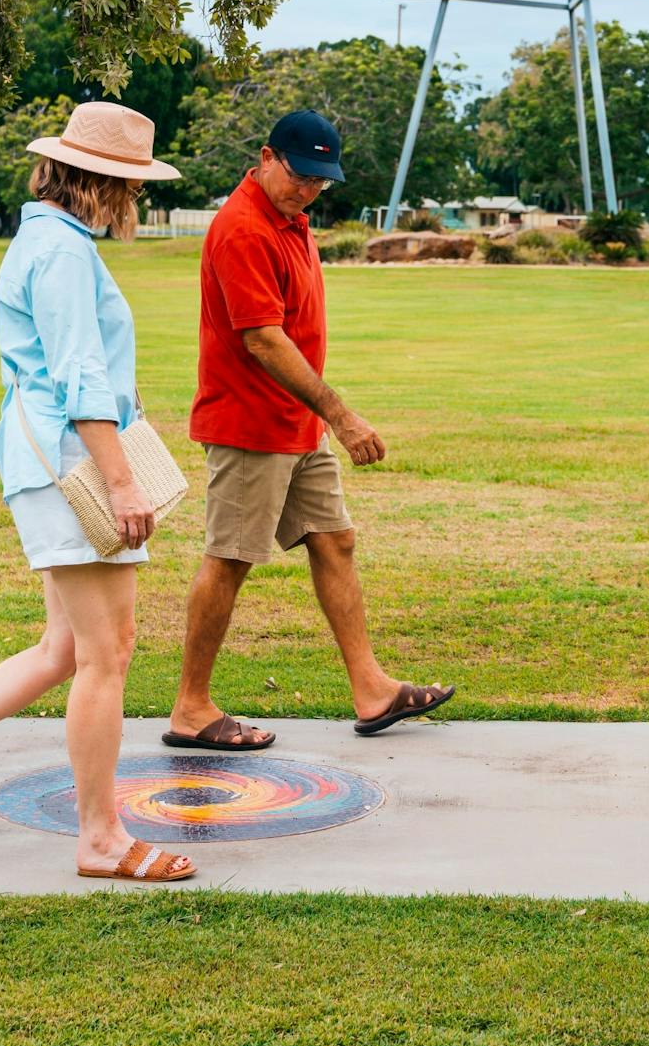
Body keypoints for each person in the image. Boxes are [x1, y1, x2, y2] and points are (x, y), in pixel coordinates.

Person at [0, 102, 194, 883]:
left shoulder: (55, 243)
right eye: (129, 184)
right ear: (100, 181)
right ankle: (100, 839)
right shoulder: (59, 251)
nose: (135, 200)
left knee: (66, 648)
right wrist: (123, 483)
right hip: (71, 467)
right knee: (107, 654)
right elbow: (79, 377)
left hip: (56, 462)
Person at [165, 109, 454, 750]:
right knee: (232, 558)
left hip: (294, 423)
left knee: (334, 542)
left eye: (321, 182)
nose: (310, 191)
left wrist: (319, 416)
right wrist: (341, 414)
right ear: (267, 158)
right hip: (250, 423)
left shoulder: (290, 221)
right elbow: (264, 340)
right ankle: (190, 708)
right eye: (300, 177)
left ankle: (372, 689)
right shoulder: (243, 228)